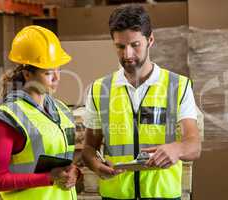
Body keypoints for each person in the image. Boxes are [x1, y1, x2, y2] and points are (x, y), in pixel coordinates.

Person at [82, 4, 201, 200]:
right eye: (120, 46)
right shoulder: (99, 89)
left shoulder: (177, 86)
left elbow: (194, 145)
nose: (127, 54)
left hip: (162, 195)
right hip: (115, 195)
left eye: (134, 45)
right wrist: (96, 166)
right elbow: (88, 148)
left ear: (150, 40)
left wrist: (177, 148)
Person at [0, 25, 80, 200]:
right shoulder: (9, 118)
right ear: (28, 74)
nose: (57, 77)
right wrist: (49, 178)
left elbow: (63, 161)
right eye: (48, 72)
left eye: (58, 69)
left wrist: (74, 172)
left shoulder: (62, 110)